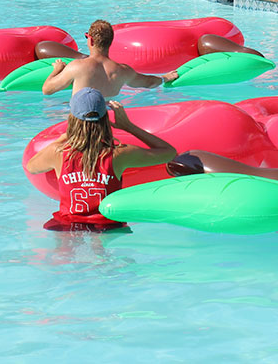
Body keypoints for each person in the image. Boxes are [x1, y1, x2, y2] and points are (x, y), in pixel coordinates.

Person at [25, 91, 177, 232]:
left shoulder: (58, 153)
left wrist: (62, 138)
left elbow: (31, 167)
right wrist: (129, 127)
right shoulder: (119, 153)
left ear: (72, 119)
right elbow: (169, 153)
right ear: (105, 119)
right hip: (109, 228)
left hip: (68, 226)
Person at [41, 19, 180, 99]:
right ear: (110, 42)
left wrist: (57, 69)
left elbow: (47, 90)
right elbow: (149, 82)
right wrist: (165, 77)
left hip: (80, 123)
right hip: (107, 119)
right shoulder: (123, 71)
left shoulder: (77, 67)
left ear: (91, 41)